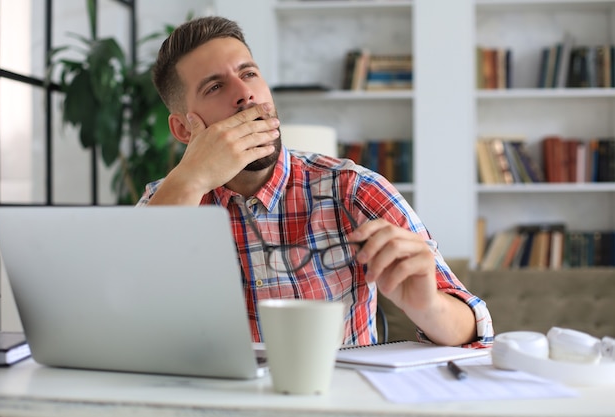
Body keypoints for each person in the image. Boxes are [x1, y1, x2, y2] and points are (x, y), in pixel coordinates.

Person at [138, 16, 494, 348]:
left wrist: (429, 305)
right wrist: (193, 176)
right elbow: (127, 305)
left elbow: (475, 333)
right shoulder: (167, 198)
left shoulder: (353, 189)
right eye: (215, 86)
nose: (245, 94)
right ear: (184, 128)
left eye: (248, 74)